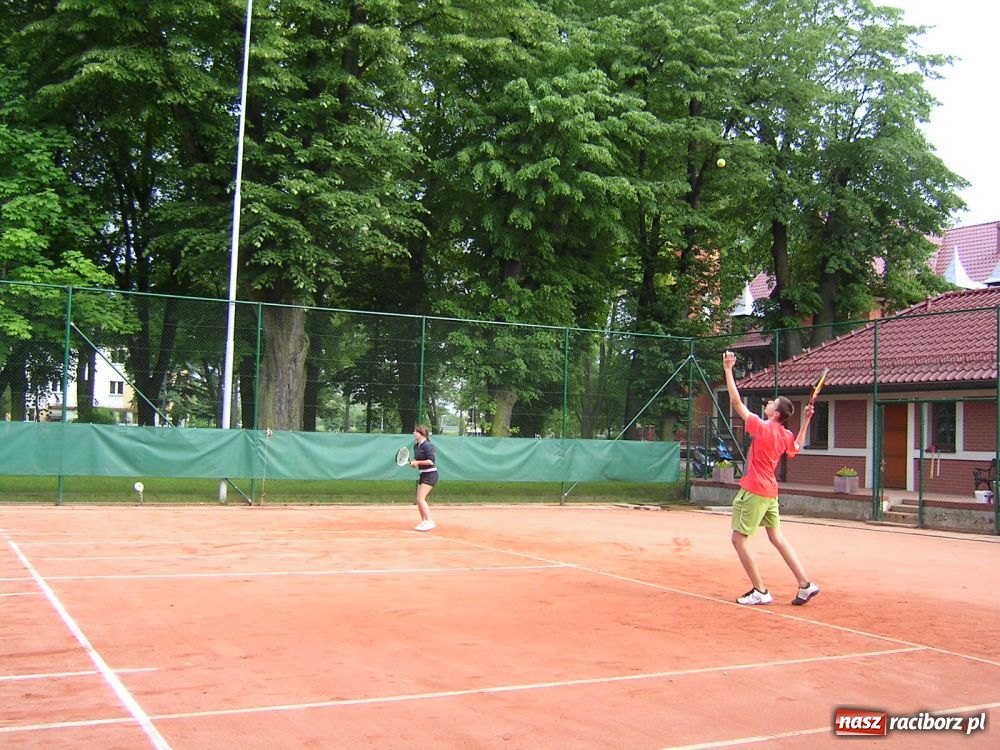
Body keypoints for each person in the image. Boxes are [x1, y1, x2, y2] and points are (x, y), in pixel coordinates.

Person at [722, 350, 821, 606]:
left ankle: (760, 590)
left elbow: (735, 403)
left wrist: (728, 370)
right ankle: (805, 584)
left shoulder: (763, 428)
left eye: (771, 403)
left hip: (755, 490)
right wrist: (807, 420)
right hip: (771, 492)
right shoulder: (784, 433)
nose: (767, 404)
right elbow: (796, 448)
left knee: (738, 540)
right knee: (776, 537)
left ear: (776, 413)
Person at [409, 424, 438, 531]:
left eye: (415, 432)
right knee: (418, 499)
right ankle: (424, 521)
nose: (413, 433)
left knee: (421, 498)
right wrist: (415, 464)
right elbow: (419, 462)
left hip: (431, 474)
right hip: (423, 474)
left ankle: (430, 521)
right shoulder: (416, 446)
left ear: (422, 434)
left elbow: (431, 461)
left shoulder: (427, 445)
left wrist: (418, 462)